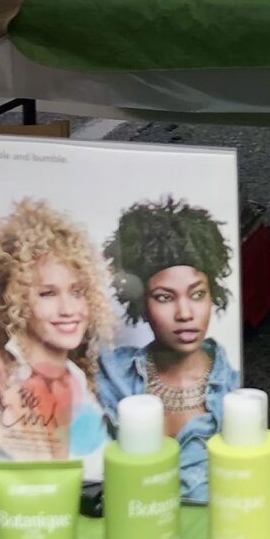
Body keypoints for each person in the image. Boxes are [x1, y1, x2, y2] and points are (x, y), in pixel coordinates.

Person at [97, 198, 238, 504]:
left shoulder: (235, 391)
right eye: (164, 297)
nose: (185, 313)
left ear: (213, 295)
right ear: (141, 304)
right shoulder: (110, 374)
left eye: (197, 294)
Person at [0, 198, 115, 469]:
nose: (68, 309)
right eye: (47, 294)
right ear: (14, 300)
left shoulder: (78, 378)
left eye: (77, 292)